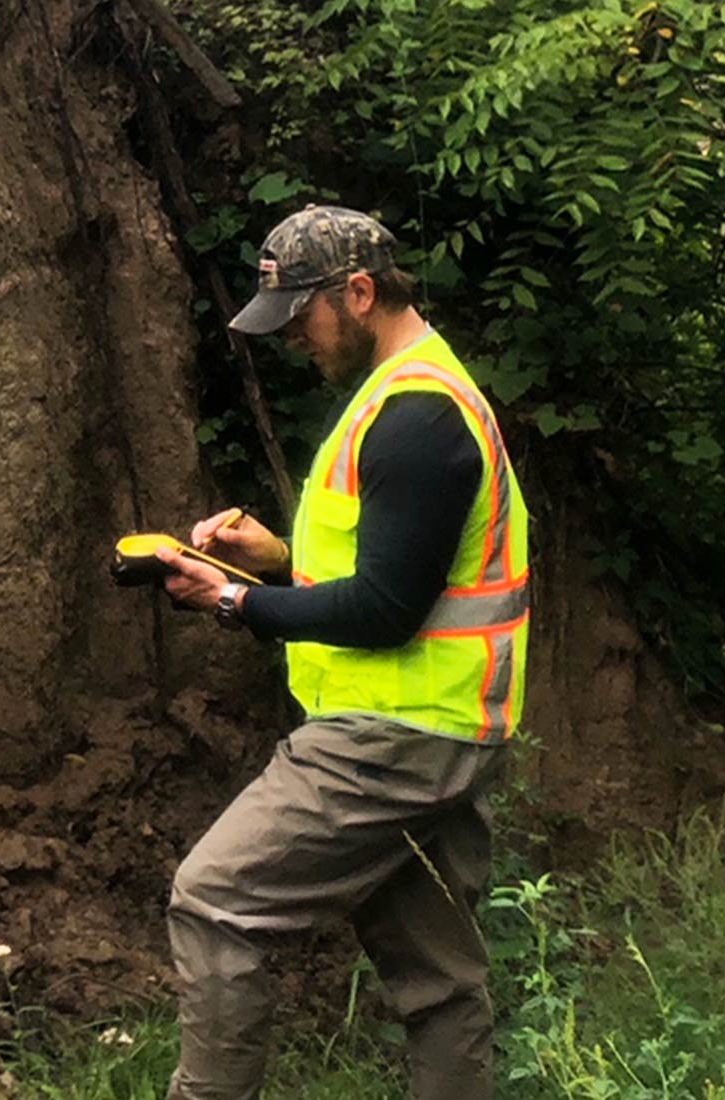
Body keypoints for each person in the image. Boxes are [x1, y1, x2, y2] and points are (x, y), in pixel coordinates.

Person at [150, 205, 531, 1100]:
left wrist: (234, 599)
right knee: (441, 988)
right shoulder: (408, 398)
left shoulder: (418, 420)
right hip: (434, 727)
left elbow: (387, 609)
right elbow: (397, 570)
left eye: (302, 319)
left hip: (393, 737)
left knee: (214, 901)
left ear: (359, 292)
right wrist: (273, 561)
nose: (292, 342)